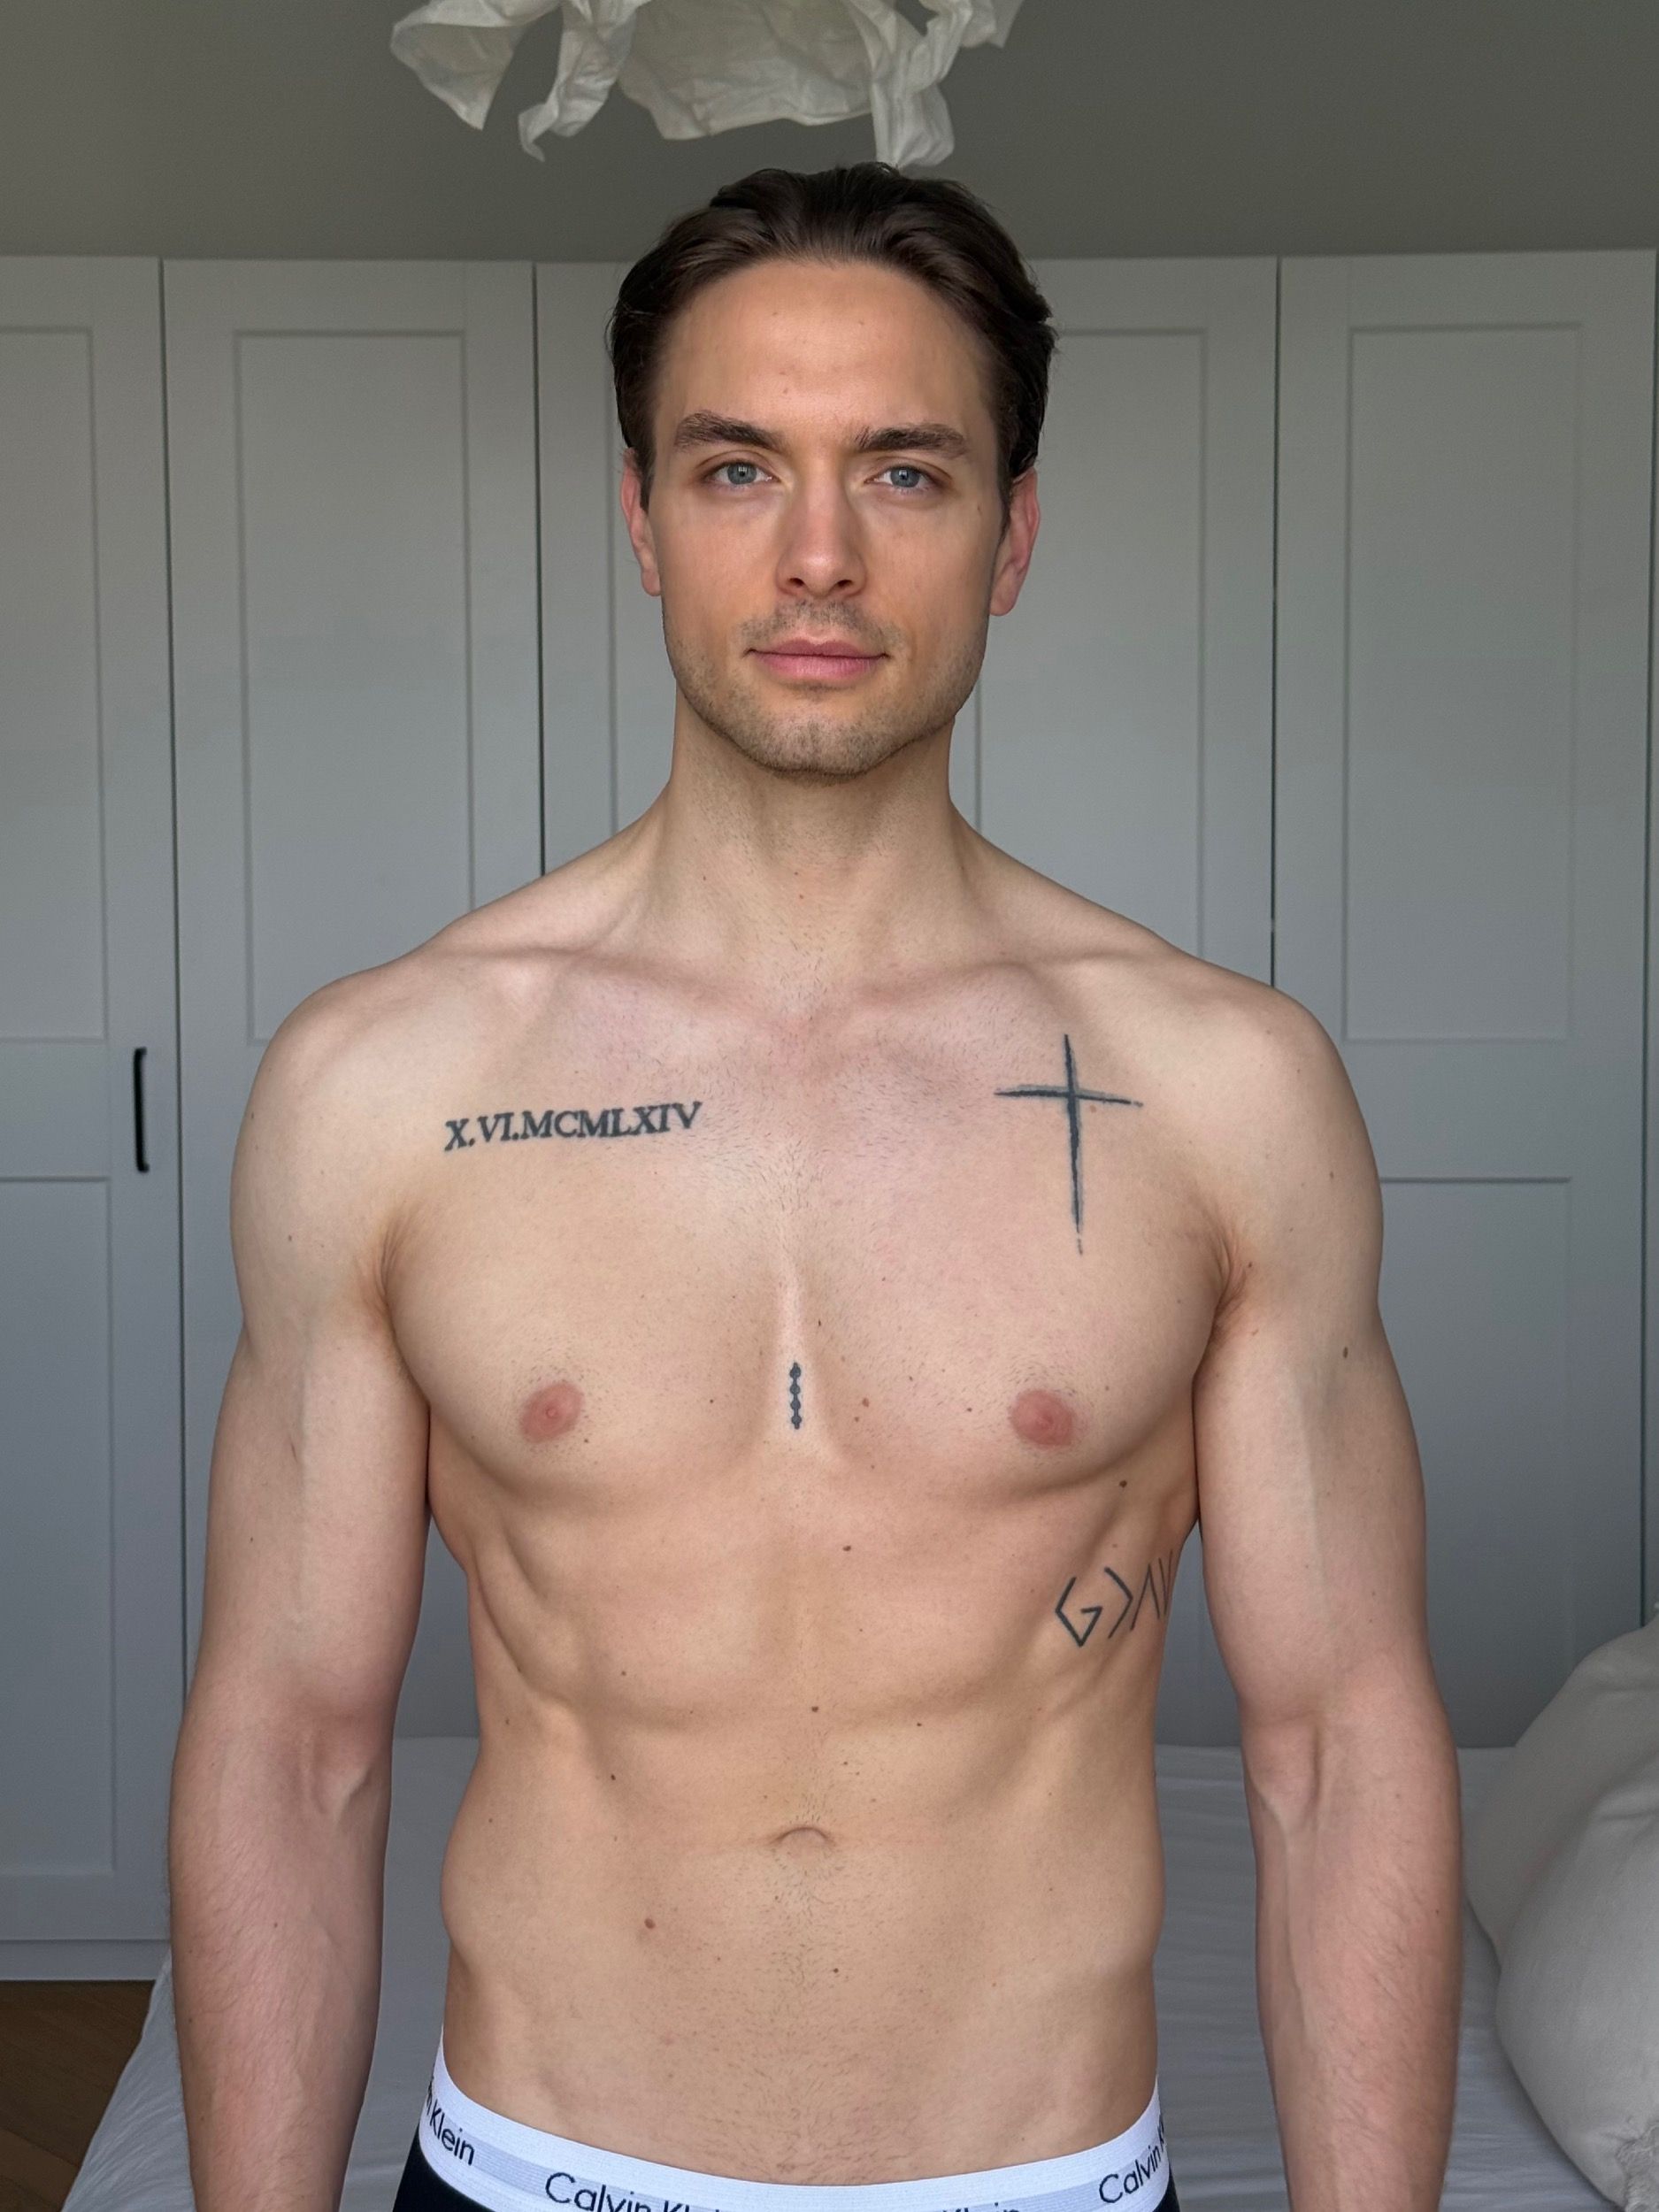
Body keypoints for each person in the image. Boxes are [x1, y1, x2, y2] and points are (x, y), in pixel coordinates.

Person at [166, 161, 1463, 2212]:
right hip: (532, 2165)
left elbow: (1336, 1752)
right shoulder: (384, 1086)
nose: (818, 555)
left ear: (1010, 534)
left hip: (1035, 2176)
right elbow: (291, 1746)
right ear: (639, 517)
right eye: (735, 468)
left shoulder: (1224, 1092)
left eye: (905, 472)